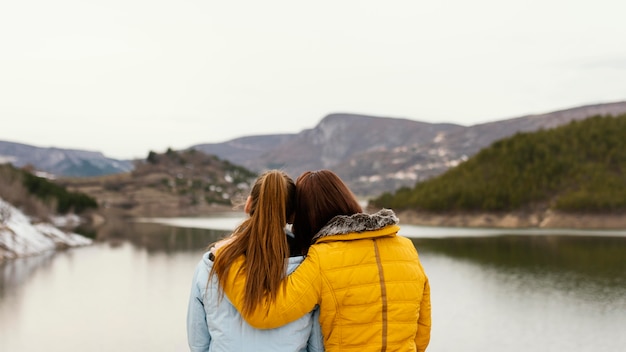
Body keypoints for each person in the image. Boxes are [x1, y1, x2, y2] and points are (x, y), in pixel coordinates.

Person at [219, 169, 431, 352]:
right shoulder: (406, 248)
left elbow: (264, 312)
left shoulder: (323, 258)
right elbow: (422, 329)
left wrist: (227, 258)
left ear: (305, 216)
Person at [186, 170, 324, 352]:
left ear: (249, 204)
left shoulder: (211, 264)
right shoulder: (308, 269)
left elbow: (198, 343)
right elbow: (316, 346)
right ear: (292, 215)